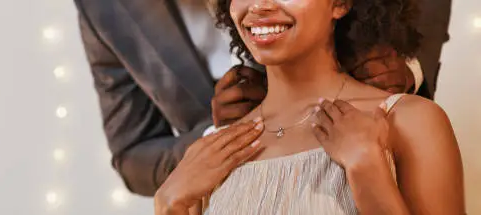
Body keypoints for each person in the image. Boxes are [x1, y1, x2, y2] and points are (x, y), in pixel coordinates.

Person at [73, 0, 445, 196]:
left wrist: (411, 68)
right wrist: (214, 144)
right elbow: (132, 153)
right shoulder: (102, 7)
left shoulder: (412, 123)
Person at [154, 0, 464, 214]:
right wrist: (169, 206)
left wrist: (368, 173)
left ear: (340, 3)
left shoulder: (408, 120)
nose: (260, 5)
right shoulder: (207, 153)